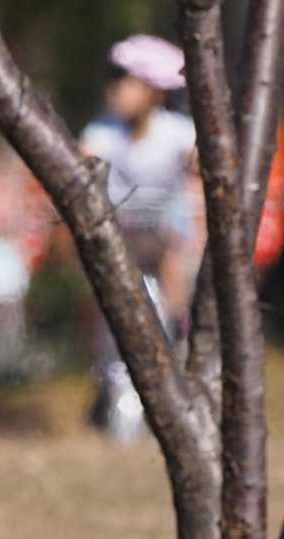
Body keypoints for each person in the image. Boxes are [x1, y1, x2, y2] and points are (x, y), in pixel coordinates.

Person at [80, 35, 200, 323]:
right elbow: (81, 159)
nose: (115, 89)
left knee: (174, 259)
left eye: (125, 80)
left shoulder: (176, 132)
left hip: (165, 234)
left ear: (153, 91)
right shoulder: (102, 133)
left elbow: (202, 163)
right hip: (120, 232)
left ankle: (176, 326)